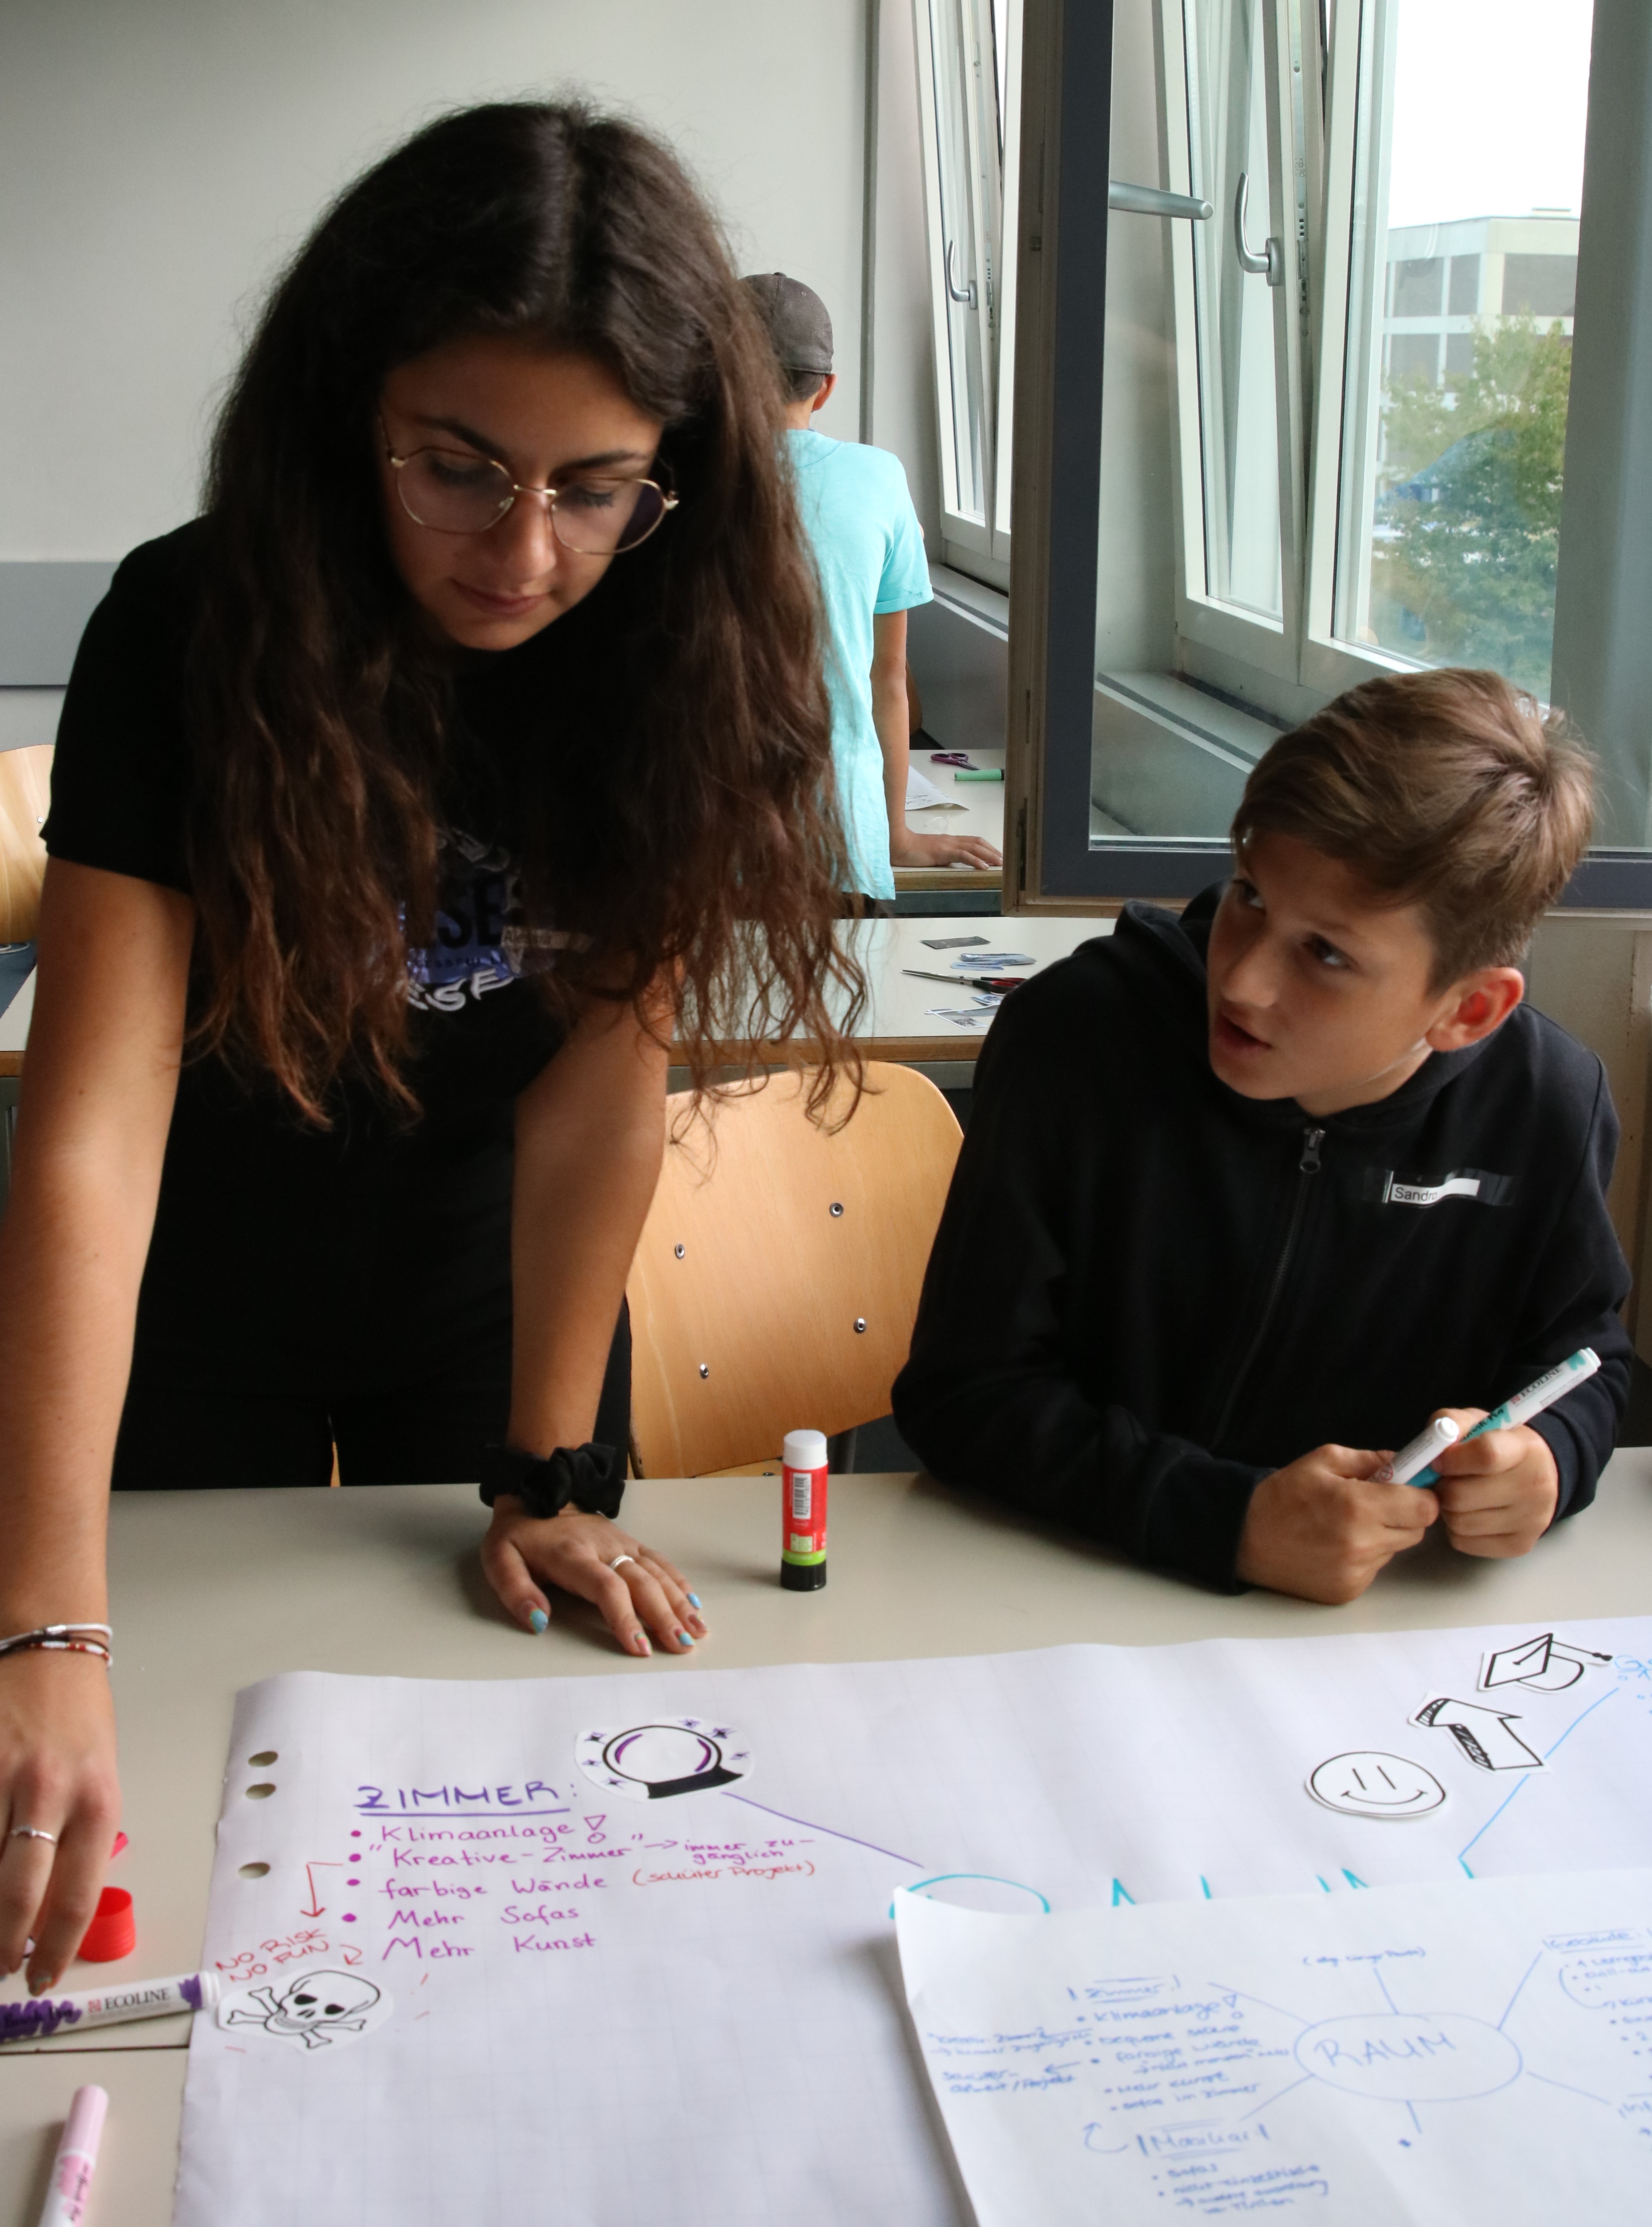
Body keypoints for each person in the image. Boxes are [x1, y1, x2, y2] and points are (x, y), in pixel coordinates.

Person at [0, 101, 860, 1993]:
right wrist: (44, 1630)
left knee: (506, 1805)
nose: (526, 552)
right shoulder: (189, 624)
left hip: (486, 1277)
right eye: (459, 469)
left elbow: (599, 1087)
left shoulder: (679, 636)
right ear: (348, 414)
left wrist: (552, 1466)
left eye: (597, 485)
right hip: (195, 1260)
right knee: (159, 1779)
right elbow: (93, 1135)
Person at [894, 668, 1632, 1604]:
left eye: (1325, 953)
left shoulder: (1546, 1105)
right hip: (1071, 1589)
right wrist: (1227, 1520)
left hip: (1382, 1629)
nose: (1240, 980)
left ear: (1468, 1009)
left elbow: (1584, 1361)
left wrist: (1549, 1457)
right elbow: (962, 1392)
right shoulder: (1078, 1039)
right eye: (1249, 894)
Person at [742, 272, 1001, 902]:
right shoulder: (879, 478)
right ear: (826, 388)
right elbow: (889, 680)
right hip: (840, 836)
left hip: (698, 842)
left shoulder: (666, 481)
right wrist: (897, 836)